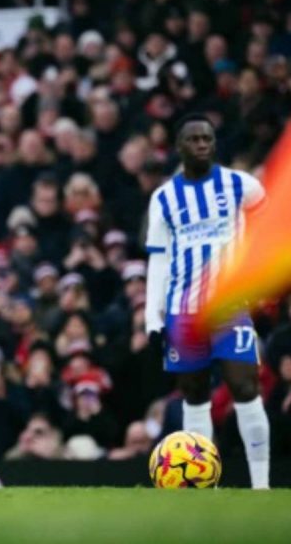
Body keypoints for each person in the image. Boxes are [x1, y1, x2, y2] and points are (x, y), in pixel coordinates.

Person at [145, 113, 271, 489]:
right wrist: (153, 318)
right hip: (184, 312)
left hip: (229, 307)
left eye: (207, 139)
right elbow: (159, 257)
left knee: (245, 388)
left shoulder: (241, 185)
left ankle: (261, 486)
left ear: (215, 144)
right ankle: (203, 485)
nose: (202, 145)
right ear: (180, 147)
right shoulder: (164, 197)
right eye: (194, 139)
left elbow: (268, 228)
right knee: (195, 396)